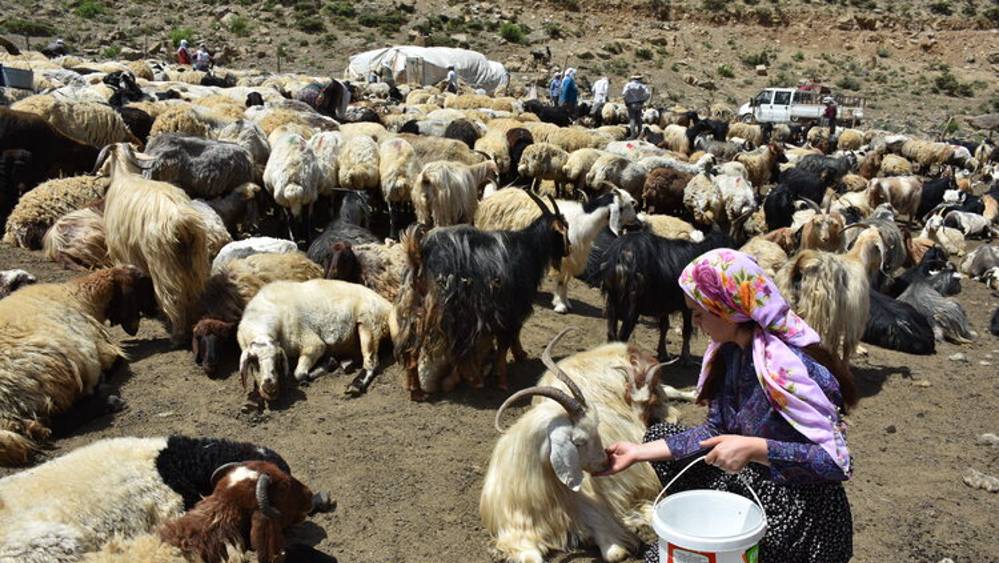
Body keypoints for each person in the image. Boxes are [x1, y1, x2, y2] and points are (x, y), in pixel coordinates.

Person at [597, 248, 857, 563]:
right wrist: (637, 453)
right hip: (751, 480)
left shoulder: (785, 368)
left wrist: (754, 448)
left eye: (699, 311)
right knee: (656, 436)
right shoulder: (730, 353)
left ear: (729, 308)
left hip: (799, 508)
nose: (694, 320)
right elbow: (715, 429)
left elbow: (835, 463)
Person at [621, 74, 651, 140]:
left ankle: (632, 135)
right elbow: (648, 94)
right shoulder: (643, 86)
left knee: (632, 119)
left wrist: (626, 101)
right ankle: (640, 133)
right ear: (640, 79)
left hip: (631, 104)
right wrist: (643, 100)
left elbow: (624, 94)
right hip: (639, 104)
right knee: (639, 119)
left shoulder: (628, 85)